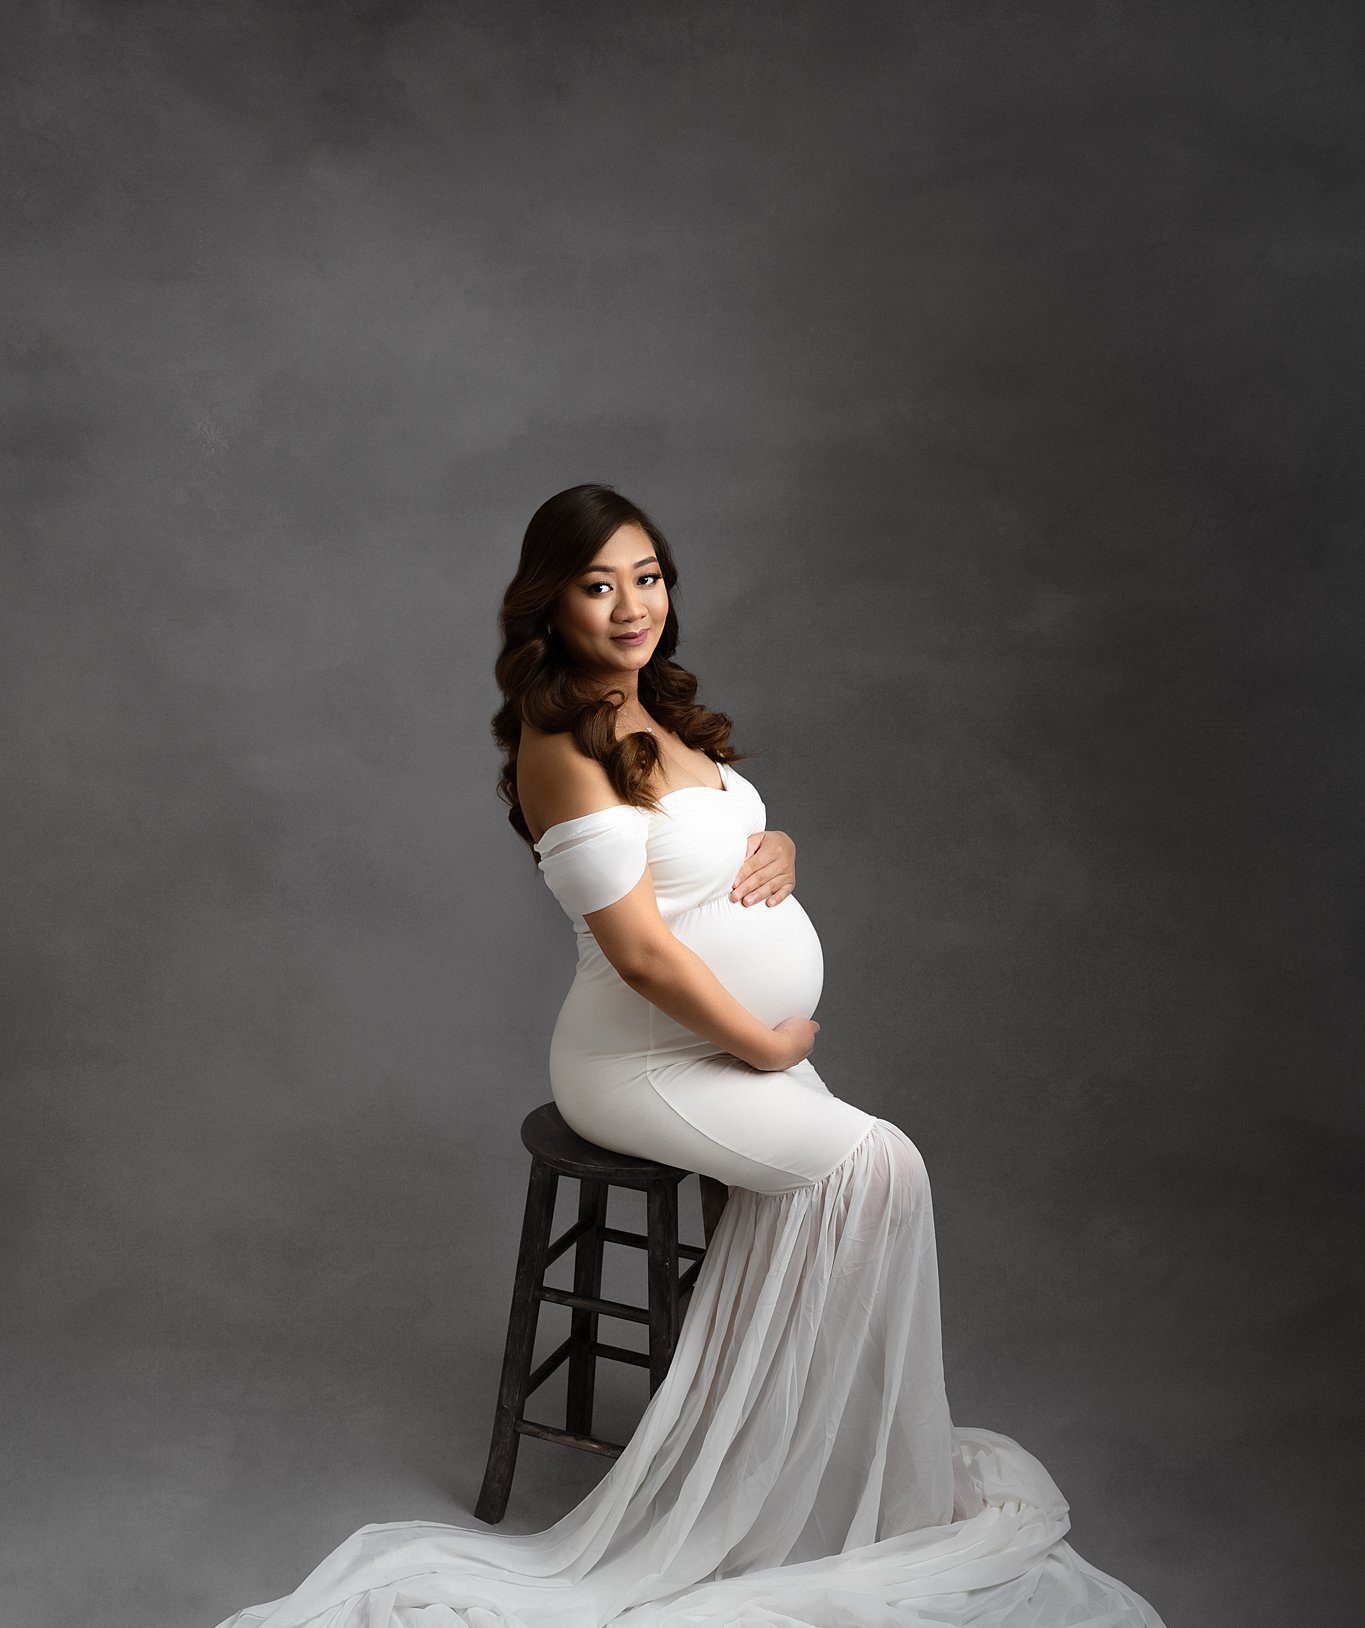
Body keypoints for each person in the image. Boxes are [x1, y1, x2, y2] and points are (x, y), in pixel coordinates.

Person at [213, 485, 1166, 1627]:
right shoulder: (558, 740)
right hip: (646, 1059)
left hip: (714, 1051)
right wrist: (764, 1038)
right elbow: (645, 951)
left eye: (648, 576)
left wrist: (778, 839)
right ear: (549, 602)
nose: (631, 605)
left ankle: (830, 1462)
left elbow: (705, 848)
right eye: (598, 583)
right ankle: (782, 1475)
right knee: (876, 1167)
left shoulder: (659, 711)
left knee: (877, 1176)